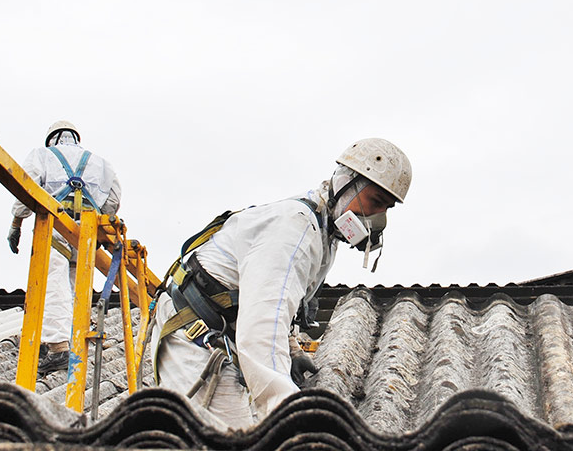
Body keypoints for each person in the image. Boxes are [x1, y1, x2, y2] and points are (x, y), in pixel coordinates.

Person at [150, 138, 411, 430]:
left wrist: (292, 351)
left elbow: (282, 302)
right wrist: (287, 415)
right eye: (375, 202)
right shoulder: (295, 228)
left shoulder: (323, 235)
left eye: (386, 208)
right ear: (345, 183)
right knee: (232, 436)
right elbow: (263, 323)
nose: (378, 218)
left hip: (219, 332)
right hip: (193, 335)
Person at [7, 120, 121, 375]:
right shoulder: (100, 162)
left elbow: (25, 190)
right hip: (85, 233)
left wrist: (17, 223)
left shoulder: (42, 155)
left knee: (52, 284)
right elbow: (113, 199)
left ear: (52, 140)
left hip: (56, 226)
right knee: (75, 288)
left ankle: (58, 347)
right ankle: (71, 339)